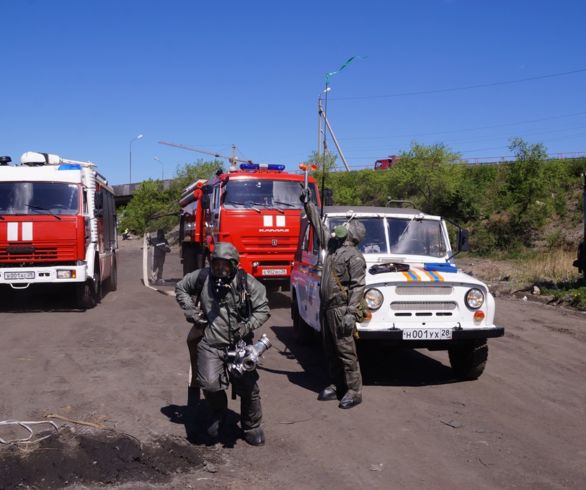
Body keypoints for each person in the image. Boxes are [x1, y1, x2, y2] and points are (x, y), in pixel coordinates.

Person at [175, 242, 270, 446]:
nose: (220, 270)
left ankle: (251, 425)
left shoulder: (246, 282)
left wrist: (246, 328)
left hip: (239, 343)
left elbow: (263, 309)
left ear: (234, 265)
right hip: (210, 342)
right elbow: (181, 287)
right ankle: (218, 411)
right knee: (208, 383)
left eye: (225, 265)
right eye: (216, 264)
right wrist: (191, 310)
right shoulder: (202, 277)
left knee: (249, 386)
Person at [301, 189, 366, 409]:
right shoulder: (333, 247)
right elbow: (319, 226)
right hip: (328, 309)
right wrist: (308, 204)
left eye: (346, 227)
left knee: (346, 351)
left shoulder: (355, 257)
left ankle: (354, 391)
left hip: (340, 310)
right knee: (330, 350)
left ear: (351, 234)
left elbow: (358, 287)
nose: (341, 228)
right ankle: (337, 384)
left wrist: (350, 313)